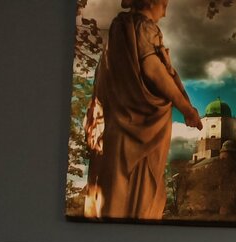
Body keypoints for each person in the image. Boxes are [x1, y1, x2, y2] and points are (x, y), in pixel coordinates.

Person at [83, 0, 202, 220]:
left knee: (114, 186)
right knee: (137, 191)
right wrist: (187, 109)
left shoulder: (119, 29)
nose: (165, 13)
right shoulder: (143, 26)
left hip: (117, 124)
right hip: (139, 128)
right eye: (164, 4)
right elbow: (153, 71)